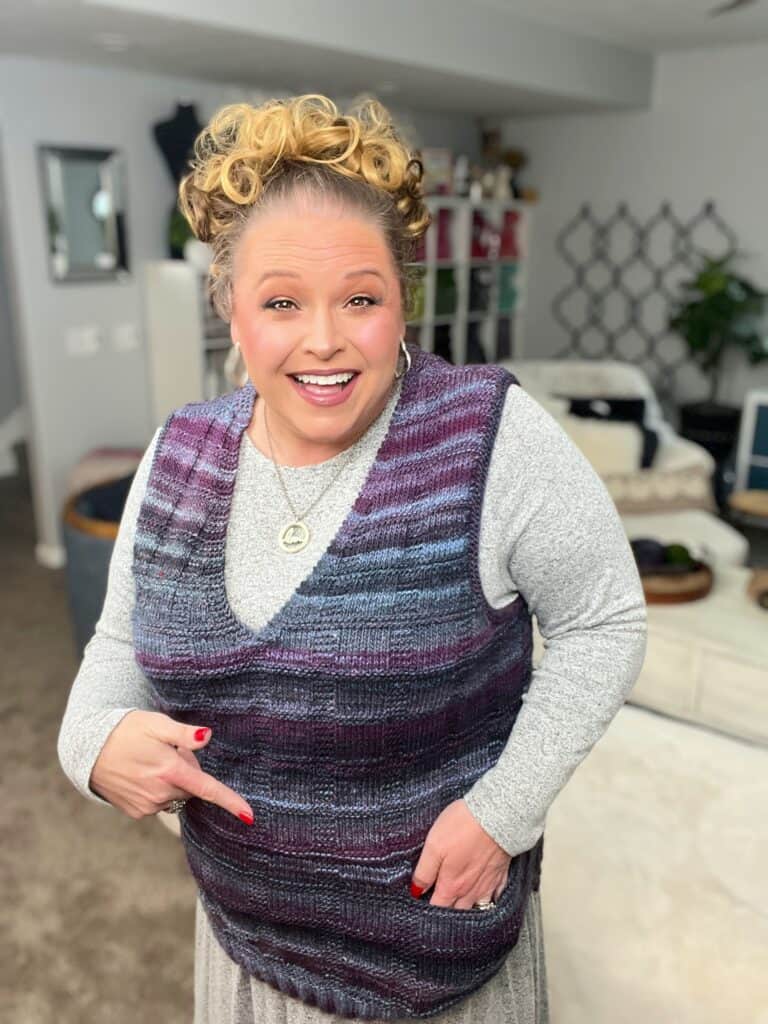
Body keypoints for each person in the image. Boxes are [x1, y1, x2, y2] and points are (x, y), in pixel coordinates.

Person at [57, 93, 648, 1024]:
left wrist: (504, 810)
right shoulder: (176, 456)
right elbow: (120, 642)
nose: (325, 339)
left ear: (401, 298)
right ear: (230, 308)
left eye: (360, 298)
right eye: (282, 300)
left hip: (436, 969)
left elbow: (603, 620)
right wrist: (89, 743)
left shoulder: (488, 437)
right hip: (244, 947)